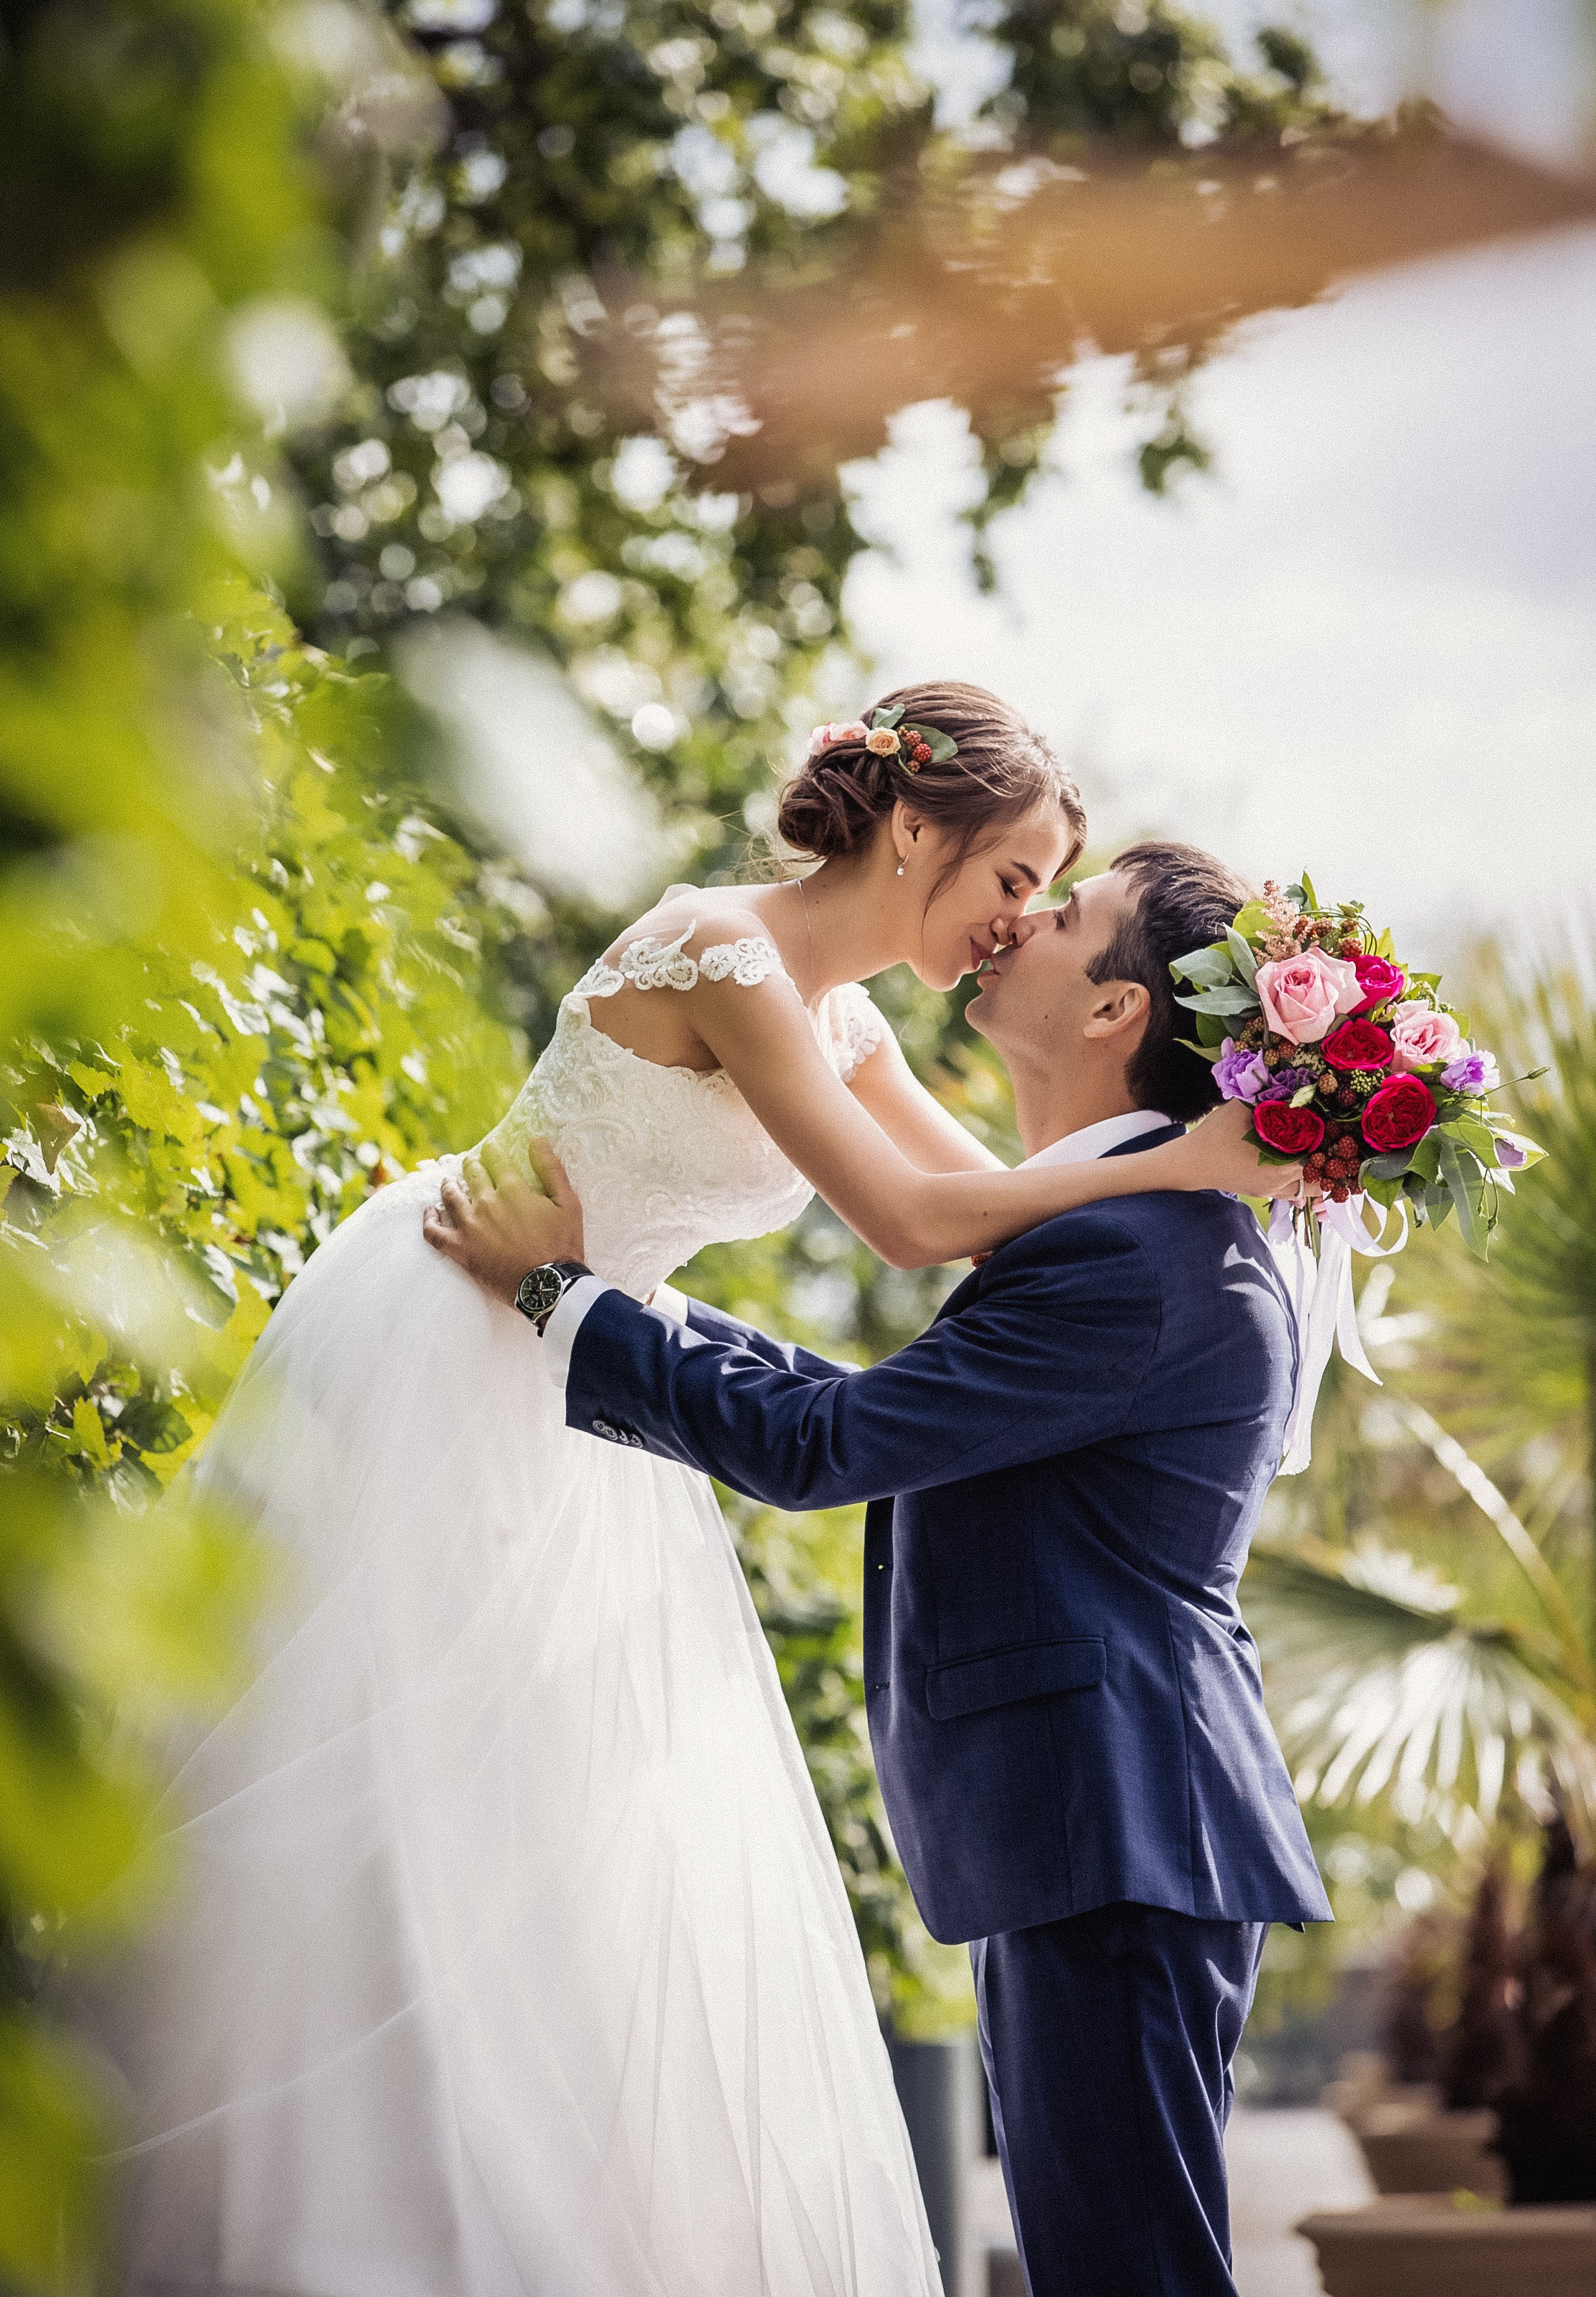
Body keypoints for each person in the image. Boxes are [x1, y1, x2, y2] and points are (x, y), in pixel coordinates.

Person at [101, 683, 1295, 2297]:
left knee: (569, 1838)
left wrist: (1219, 1137)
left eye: (1046, 901)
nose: (1015, 925)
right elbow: (916, 1223)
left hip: (584, 1357)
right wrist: (1185, 1156)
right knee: (393, 1779)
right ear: (918, 830)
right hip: (466, 1324)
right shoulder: (721, 952)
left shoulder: (858, 1028)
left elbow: (988, 1211)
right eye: (1013, 877)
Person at [424, 837, 1332, 2297]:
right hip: (1101, 1833)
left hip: (1115, 1828)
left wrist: (560, 1297)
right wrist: (621, 1304)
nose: (1022, 919)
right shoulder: (1121, 1234)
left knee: (1127, 2275)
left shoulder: (1141, 1258)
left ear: (1116, 1013)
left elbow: (825, 1448)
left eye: (1067, 910)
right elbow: (866, 1418)